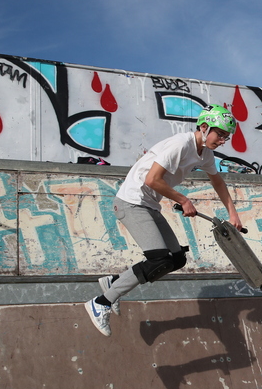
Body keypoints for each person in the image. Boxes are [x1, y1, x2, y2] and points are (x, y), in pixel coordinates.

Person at [85, 104, 242, 336]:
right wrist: (183, 200)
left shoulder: (205, 154)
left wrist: (233, 212)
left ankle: (114, 282)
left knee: (176, 259)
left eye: (226, 138)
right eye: (220, 135)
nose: (221, 141)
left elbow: (217, 181)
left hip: (149, 205)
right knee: (158, 259)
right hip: (131, 202)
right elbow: (152, 179)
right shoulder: (181, 144)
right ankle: (101, 302)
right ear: (205, 126)